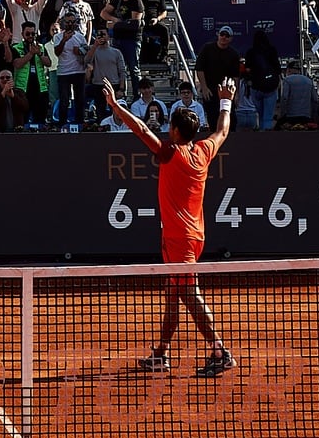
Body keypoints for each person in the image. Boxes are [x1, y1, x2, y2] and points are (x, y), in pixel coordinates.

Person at [101, 76, 238, 376]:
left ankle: (220, 350)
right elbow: (223, 130)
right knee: (173, 294)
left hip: (181, 240)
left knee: (188, 293)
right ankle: (161, 354)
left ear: (175, 131)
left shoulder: (170, 153)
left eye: (170, 129)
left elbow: (142, 129)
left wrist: (115, 106)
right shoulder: (203, 150)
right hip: (189, 237)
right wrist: (225, 100)